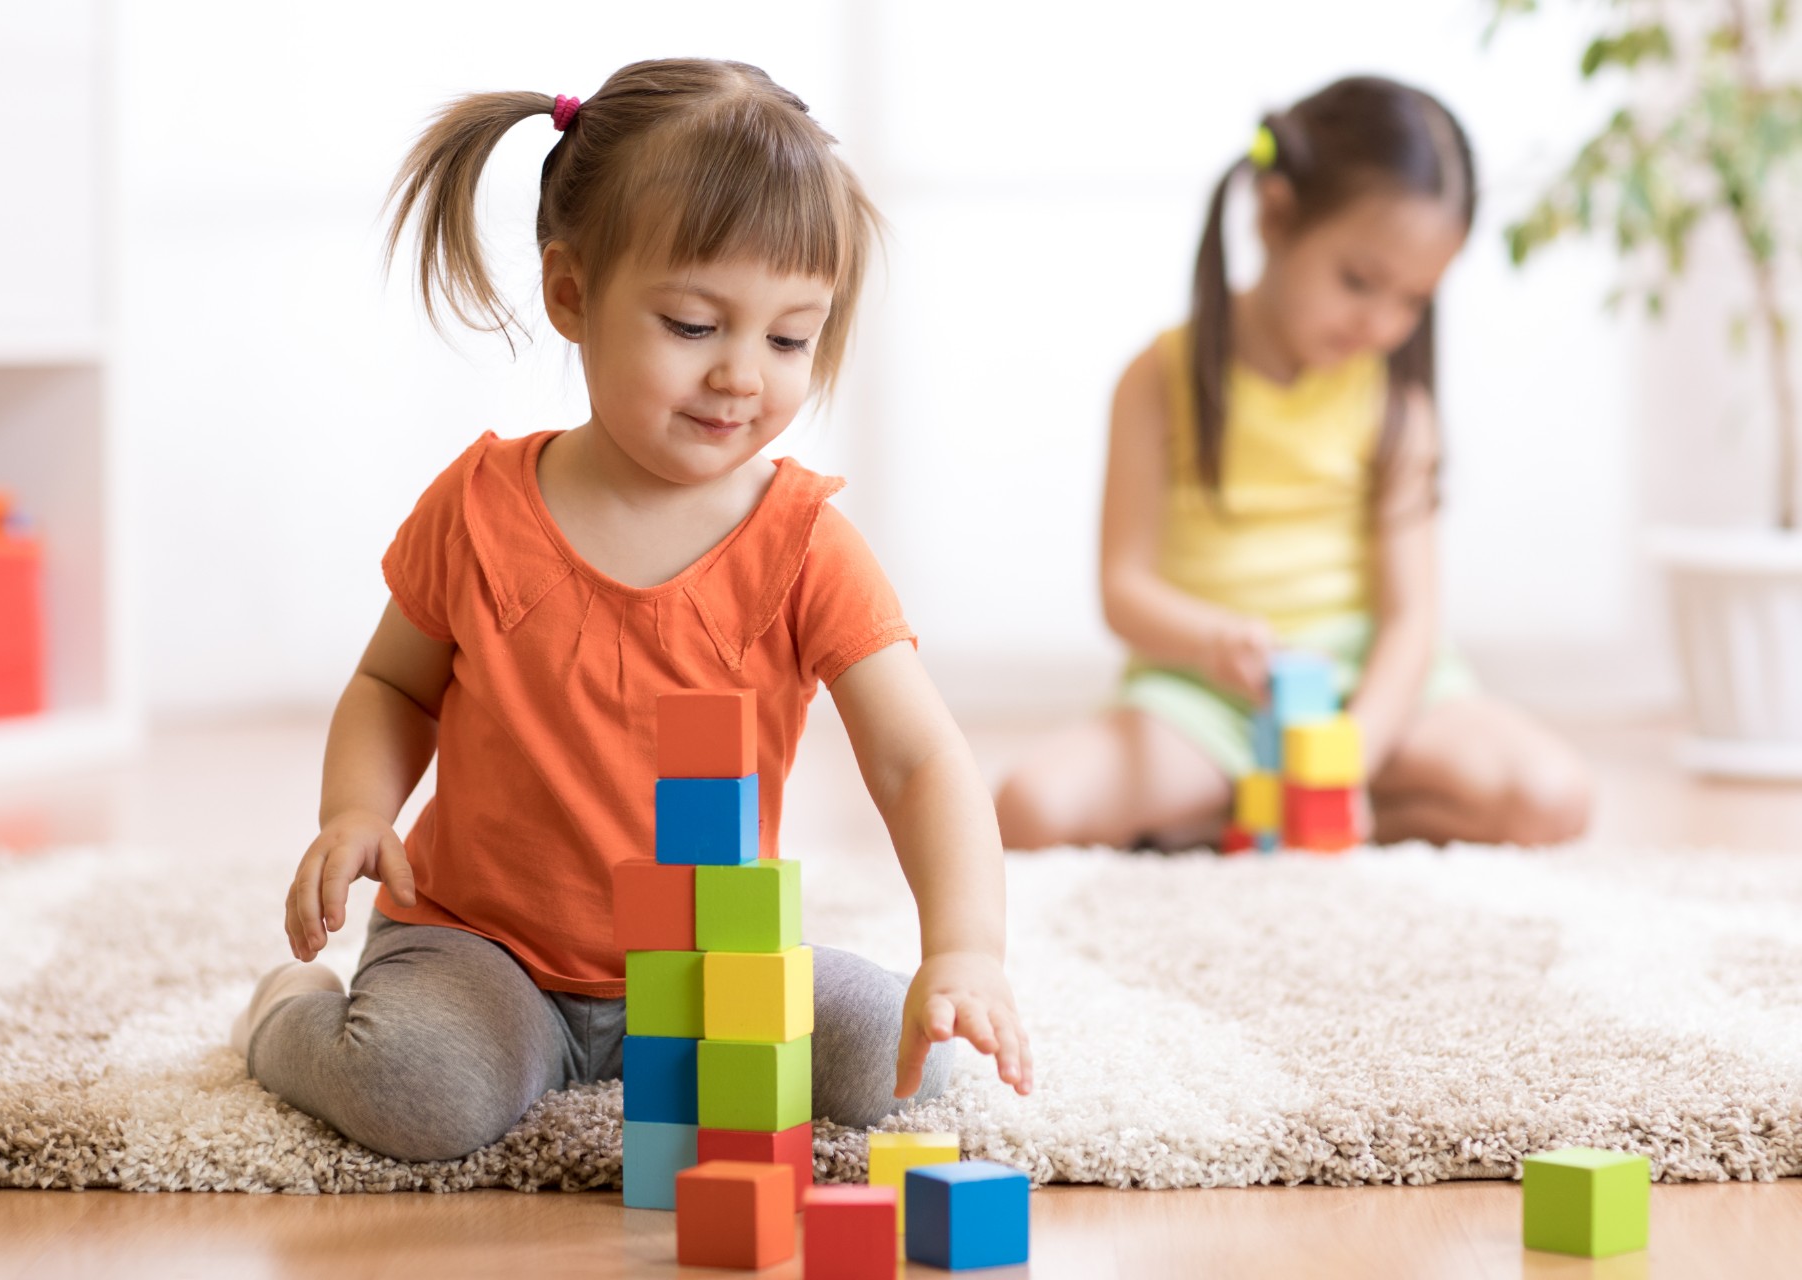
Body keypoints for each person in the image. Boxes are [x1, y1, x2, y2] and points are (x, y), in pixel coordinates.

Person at [228, 59, 1030, 1164]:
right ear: (571, 294)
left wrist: (965, 949)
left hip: (709, 971)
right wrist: (356, 810)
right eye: (695, 324)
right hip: (486, 949)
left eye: (789, 338)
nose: (744, 374)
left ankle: (775, 1034)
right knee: (420, 1091)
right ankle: (284, 1009)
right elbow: (392, 684)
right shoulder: (478, 507)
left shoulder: (806, 545)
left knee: (904, 1066)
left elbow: (919, 759)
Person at [995, 76, 1592, 853]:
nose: (1383, 322)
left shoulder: (1398, 408)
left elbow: (1412, 619)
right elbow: (1123, 589)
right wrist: (1213, 638)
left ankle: (1266, 815)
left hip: (1370, 690)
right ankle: (1261, 803)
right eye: (1359, 282)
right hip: (1209, 699)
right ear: (1275, 216)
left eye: (1414, 300)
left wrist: (1351, 755)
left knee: (1554, 797)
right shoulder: (1157, 379)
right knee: (1030, 808)